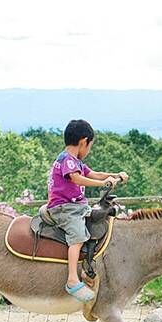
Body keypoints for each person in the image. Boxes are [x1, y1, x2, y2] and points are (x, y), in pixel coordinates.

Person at [47, 119, 128, 302]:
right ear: (84, 142)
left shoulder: (76, 161)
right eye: (90, 145)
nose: (89, 150)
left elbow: (93, 174)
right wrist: (102, 184)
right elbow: (76, 179)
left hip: (76, 206)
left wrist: (114, 175)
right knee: (77, 236)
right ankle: (72, 280)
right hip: (64, 208)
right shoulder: (66, 160)